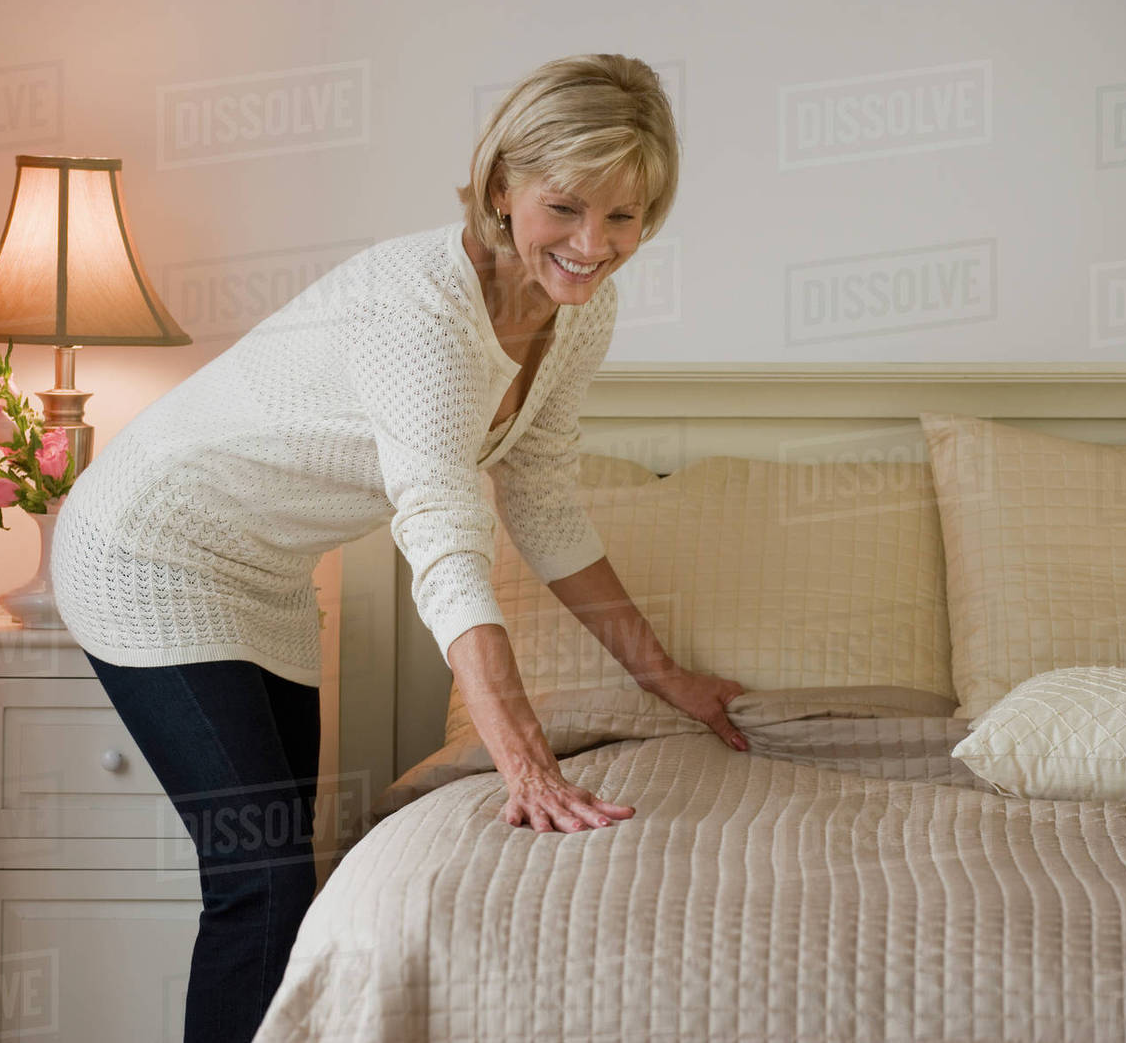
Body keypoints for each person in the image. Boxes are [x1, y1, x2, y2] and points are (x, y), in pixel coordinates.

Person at [49, 52, 748, 1043]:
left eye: (625, 217)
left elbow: (541, 497)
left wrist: (666, 675)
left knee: (294, 869)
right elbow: (445, 539)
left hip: (267, 576)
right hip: (149, 550)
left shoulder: (576, 310)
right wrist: (525, 765)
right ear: (504, 186)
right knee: (258, 878)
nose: (595, 244)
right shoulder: (420, 307)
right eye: (568, 207)